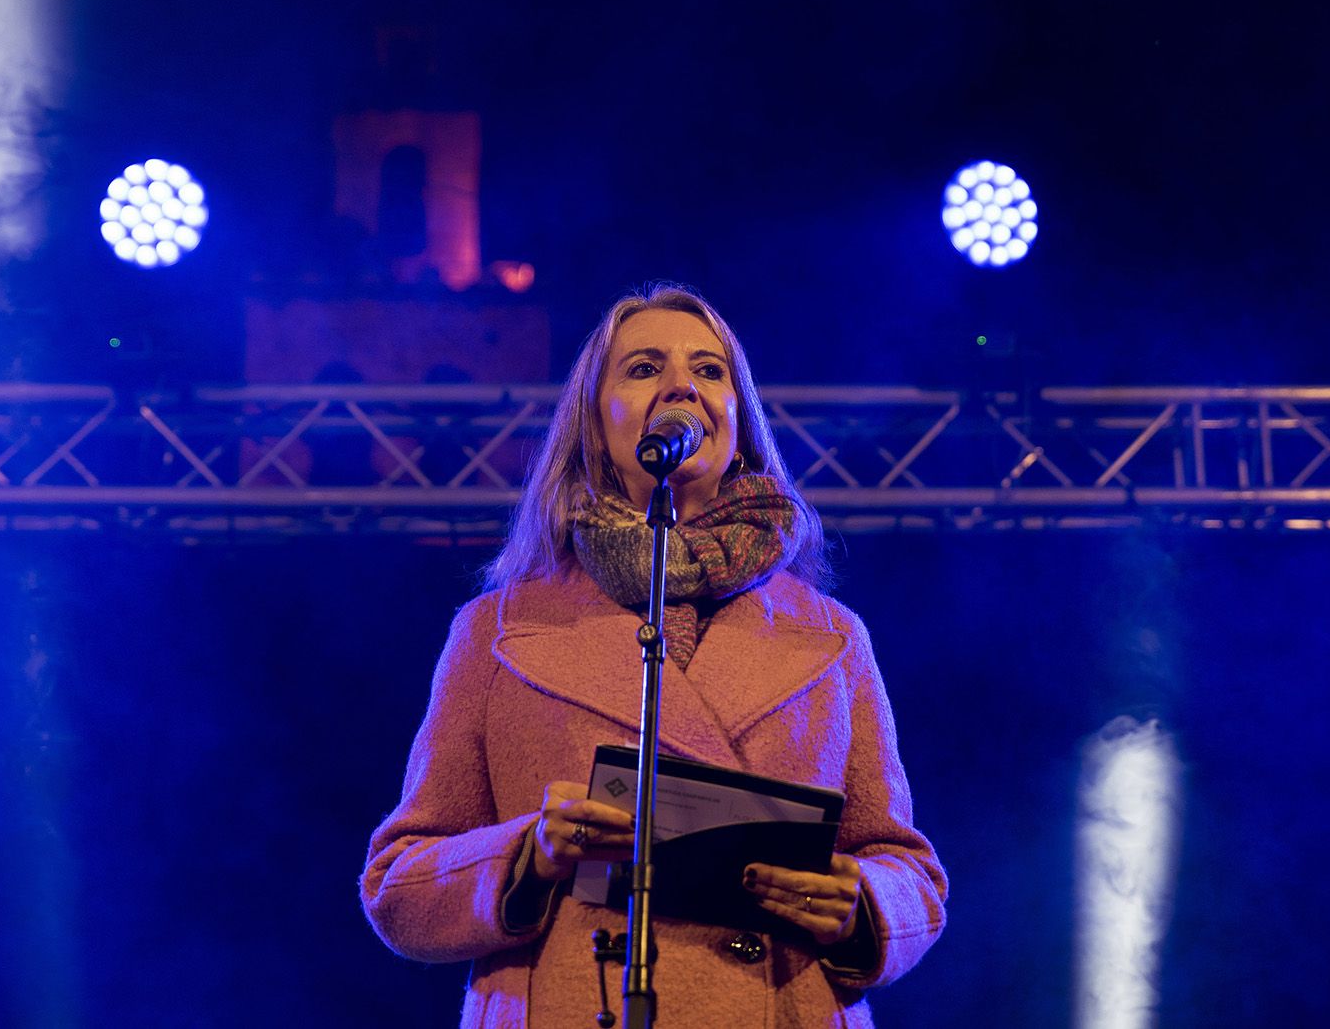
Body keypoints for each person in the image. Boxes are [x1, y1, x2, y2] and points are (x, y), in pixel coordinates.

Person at [361, 284, 947, 1027]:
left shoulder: (832, 637)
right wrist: (529, 853)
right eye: (643, 368)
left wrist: (859, 905)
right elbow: (399, 885)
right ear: (595, 424)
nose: (681, 385)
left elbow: (911, 874)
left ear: (738, 416)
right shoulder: (497, 633)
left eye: (710, 370)